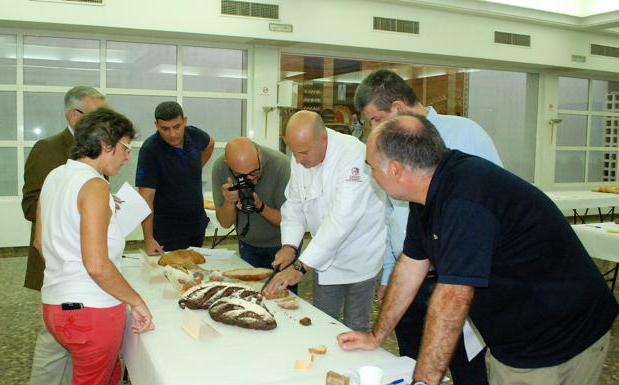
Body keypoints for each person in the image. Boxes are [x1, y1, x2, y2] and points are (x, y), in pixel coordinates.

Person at [338, 114, 618, 385]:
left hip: (557, 336)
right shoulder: (427, 188)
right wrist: (377, 336)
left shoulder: (464, 200)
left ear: (397, 169)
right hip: (521, 329)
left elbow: (452, 299)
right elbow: (412, 263)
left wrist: (423, 381)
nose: (371, 175)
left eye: (372, 167)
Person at [355, 69, 500, 384]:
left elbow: (493, 205)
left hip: (457, 275)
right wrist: (388, 275)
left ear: (397, 107)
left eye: (377, 119)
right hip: (412, 272)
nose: (375, 130)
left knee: (465, 365)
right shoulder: (395, 157)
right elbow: (393, 218)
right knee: (410, 359)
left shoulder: (466, 134)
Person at [36, 108, 155, 385]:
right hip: (91, 312)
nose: (127, 156)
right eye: (125, 147)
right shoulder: (95, 185)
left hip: (54, 305)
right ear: (105, 145)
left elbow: (40, 243)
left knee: (107, 374)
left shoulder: (55, 176)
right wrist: (136, 301)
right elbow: (97, 265)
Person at [264, 110, 385, 332]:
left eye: (304, 153)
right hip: (322, 254)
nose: (298, 159)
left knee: (355, 325)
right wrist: (289, 246)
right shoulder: (301, 151)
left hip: (359, 254)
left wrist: (300, 266)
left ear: (323, 138)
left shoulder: (354, 155)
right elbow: (294, 201)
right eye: (294, 152)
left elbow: (341, 221)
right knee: (322, 320)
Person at [22, 85, 107, 385]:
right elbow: (30, 203)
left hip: (85, 260)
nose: (105, 124)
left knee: (73, 343)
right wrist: (82, 204)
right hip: (57, 259)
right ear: (74, 115)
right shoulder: (49, 148)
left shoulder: (95, 148)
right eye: (99, 116)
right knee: (54, 342)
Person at [136, 101, 215, 255]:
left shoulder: (195, 135)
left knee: (194, 272)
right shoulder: (150, 151)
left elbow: (210, 143)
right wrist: (148, 238)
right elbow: (146, 199)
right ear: (156, 125)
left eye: (177, 127)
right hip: (167, 231)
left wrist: (196, 167)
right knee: (170, 275)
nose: (172, 134)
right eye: (165, 129)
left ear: (184, 121)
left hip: (196, 225)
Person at [211, 138, 294, 285]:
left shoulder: (281, 166)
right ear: (228, 164)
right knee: (250, 293)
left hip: (282, 246)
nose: (250, 179)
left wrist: (260, 207)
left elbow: (290, 221)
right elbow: (225, 223)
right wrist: (229, 202)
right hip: (247, 244)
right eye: (242, 176)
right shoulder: (219, 168)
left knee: (283, 296)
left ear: (259, 155)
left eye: (255, 172)